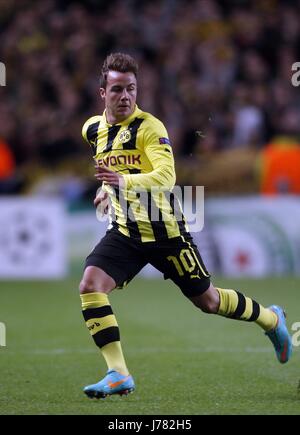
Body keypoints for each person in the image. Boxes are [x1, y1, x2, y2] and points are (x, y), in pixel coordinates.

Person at [79, 53, 292, 399]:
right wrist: (106, 190)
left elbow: (166, 177)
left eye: (131, 89)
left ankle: (271, 319)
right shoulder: (92, 129)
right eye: (117, 89)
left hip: (166, 233)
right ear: (102, 92)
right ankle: (118, 372)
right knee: (90, 285)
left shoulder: (150, 128)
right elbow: (109, 169)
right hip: (125, 232)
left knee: (208, 302)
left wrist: (120, 182)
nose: (125, 96)